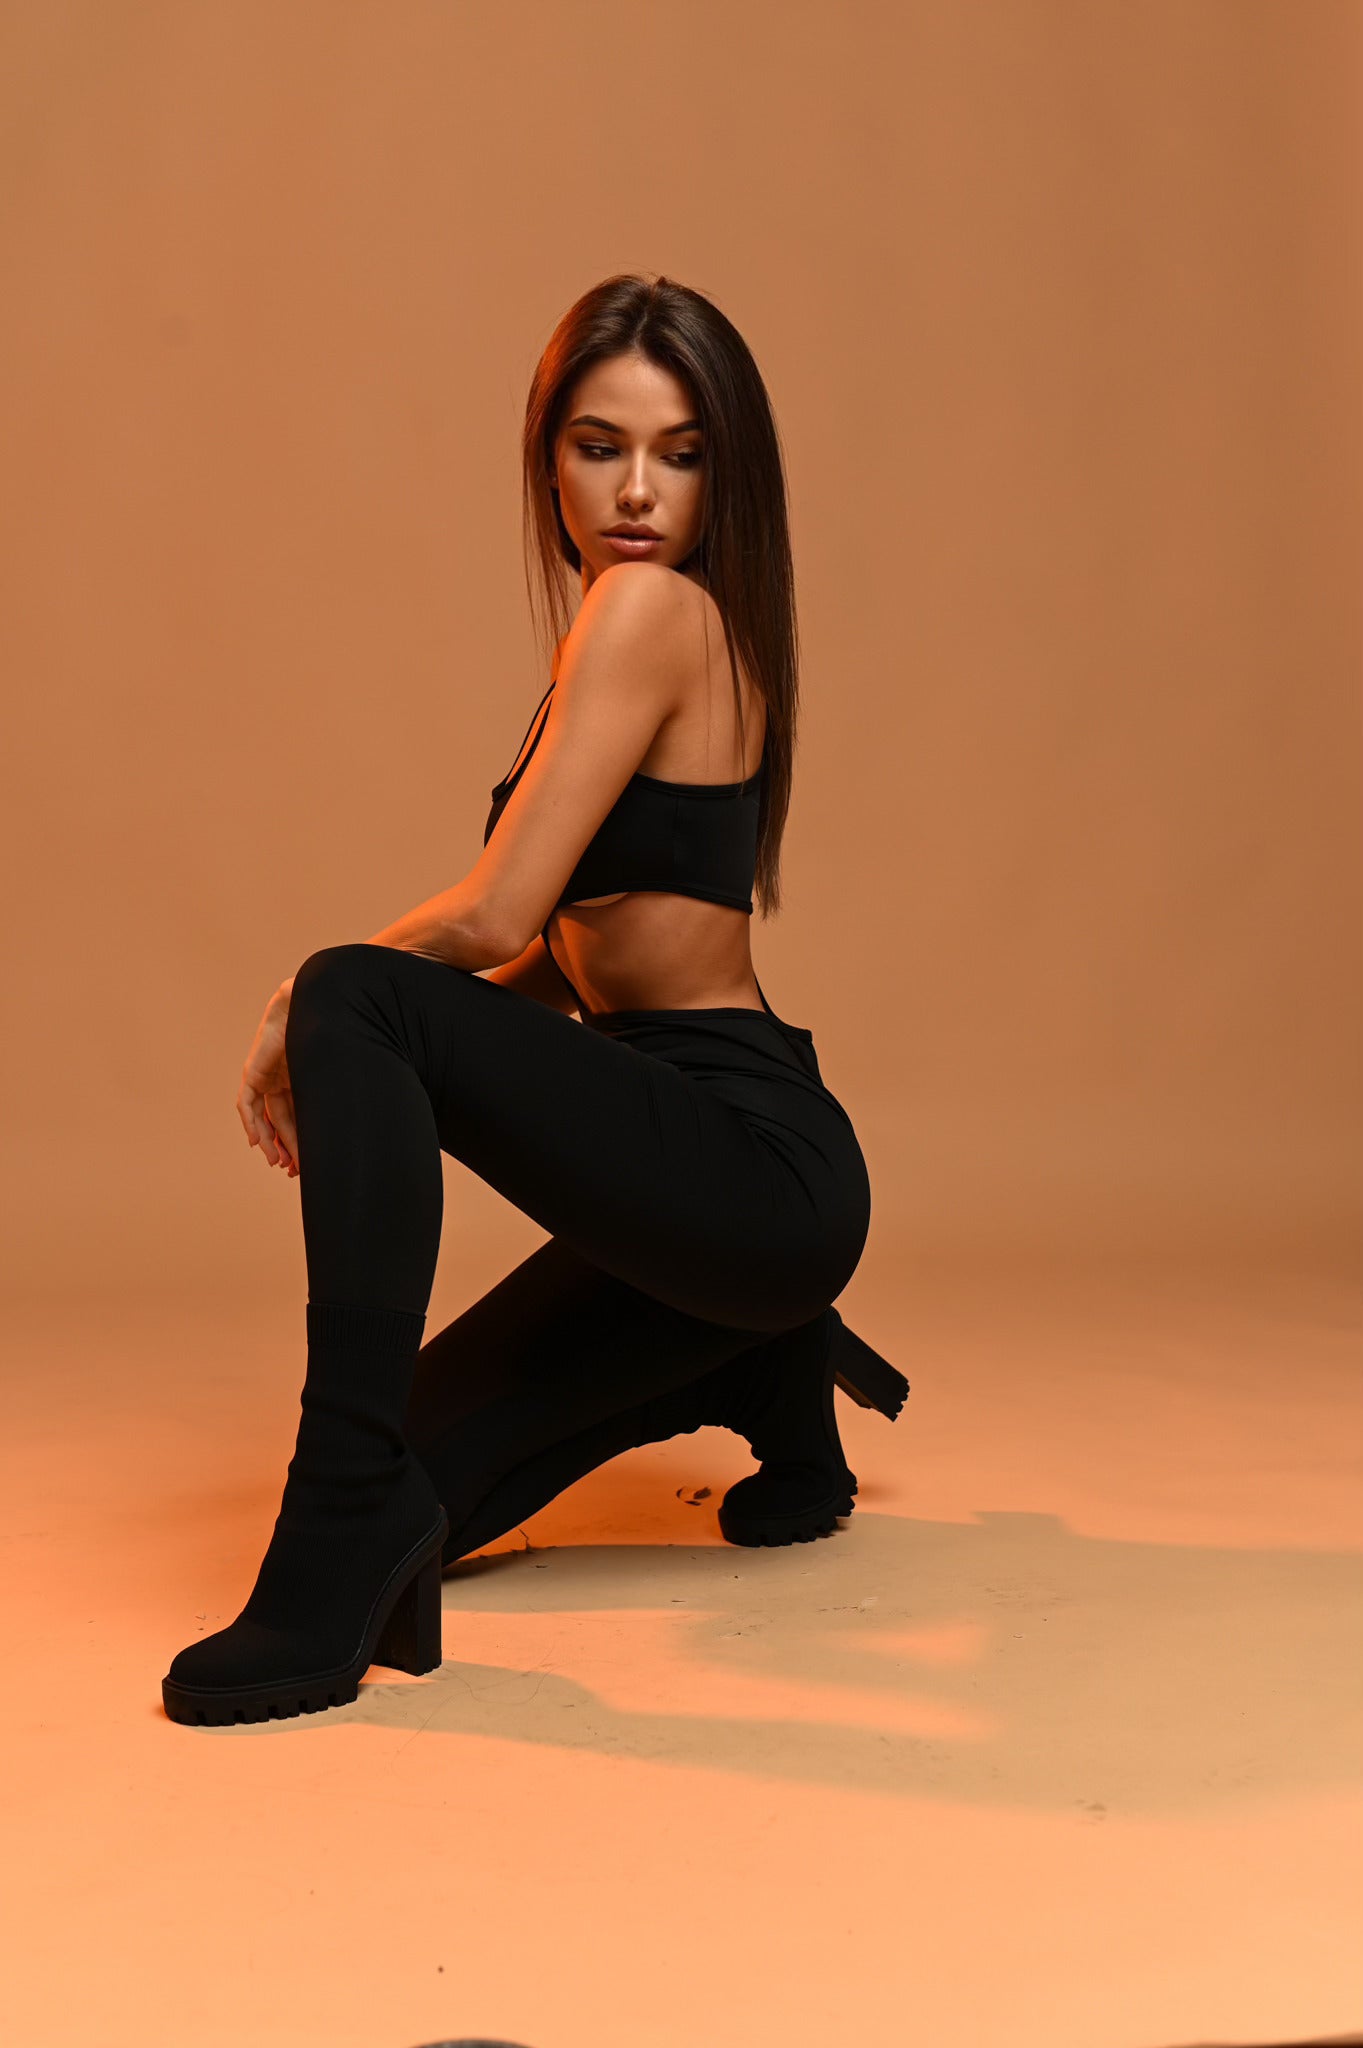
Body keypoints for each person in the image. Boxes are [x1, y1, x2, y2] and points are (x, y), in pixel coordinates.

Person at [161, 273, 907, 1729]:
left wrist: (301, 1008)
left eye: (680, 454)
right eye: (598, 445)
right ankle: (770, 1364)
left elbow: (495, 913)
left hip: (749, 1162)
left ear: (727, 480)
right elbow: (555, 963)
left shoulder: (650, 612)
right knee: (433, 1483)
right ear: (546, 459)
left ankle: (330, 1523)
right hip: (694, 1194)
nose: (635, 491)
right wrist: (381, 1026)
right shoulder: (648, 638)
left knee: (355, 991)